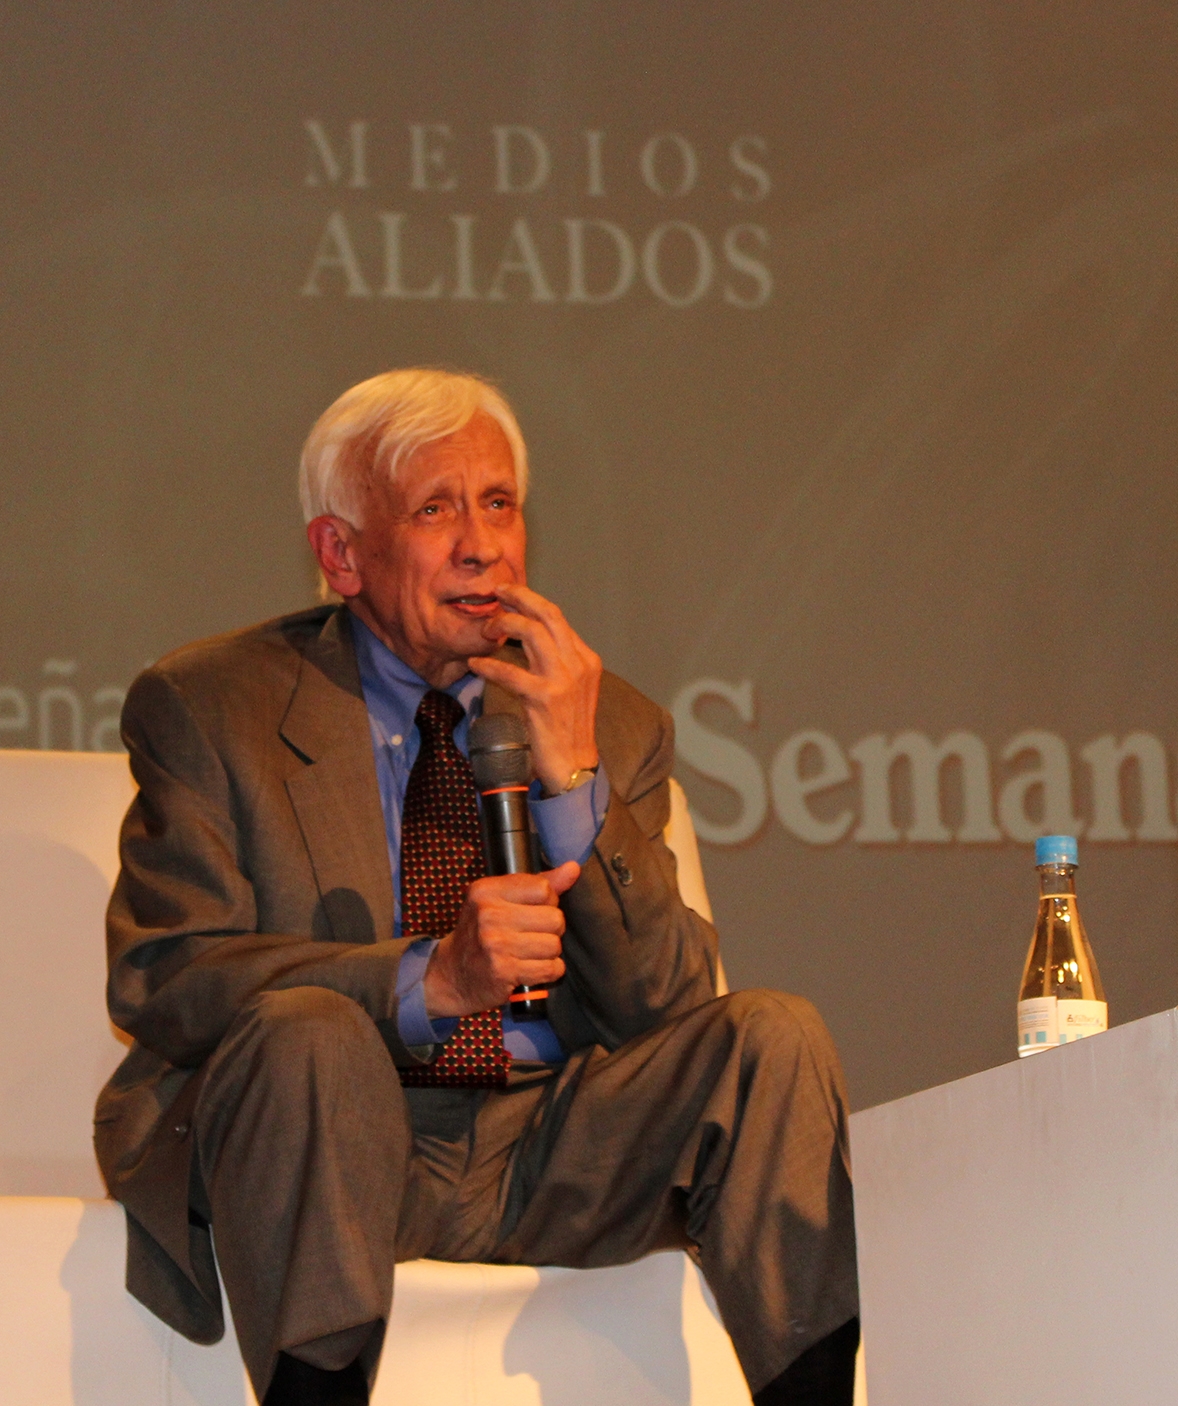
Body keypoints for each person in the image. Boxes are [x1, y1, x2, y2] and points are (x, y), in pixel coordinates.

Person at [93, 368, 859, 1406]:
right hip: (332, 1138)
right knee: (311, 1033)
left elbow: (670, 1005)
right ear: (340, 553)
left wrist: (573, 776)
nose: (481, 545)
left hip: (549, 1147)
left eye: (499, 504)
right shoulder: (210, 705)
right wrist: (431, 980)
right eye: (434, 509)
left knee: (774, 1036)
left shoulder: (608, 719)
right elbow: (166, 978)